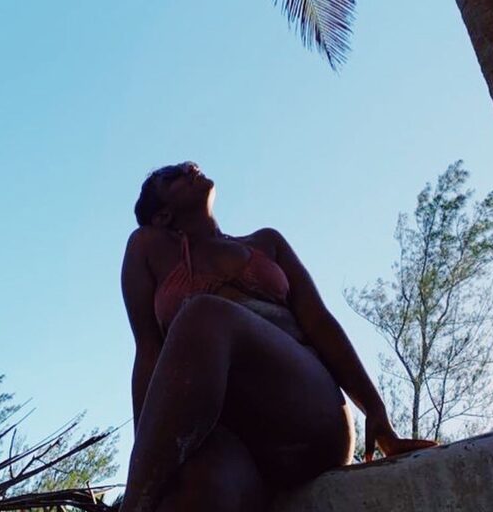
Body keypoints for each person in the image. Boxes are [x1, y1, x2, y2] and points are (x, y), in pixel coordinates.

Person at [120, 161, 436, 512]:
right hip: (232, 438)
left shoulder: (266, 243)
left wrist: (375, 410)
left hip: (305, 413)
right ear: (162, 216)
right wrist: (147, 458)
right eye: (173, 175)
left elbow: (319, 323)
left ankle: (131, 508)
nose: (189, 167)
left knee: (205, 314)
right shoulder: (148, 250)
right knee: (195, 491)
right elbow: (149, 353)